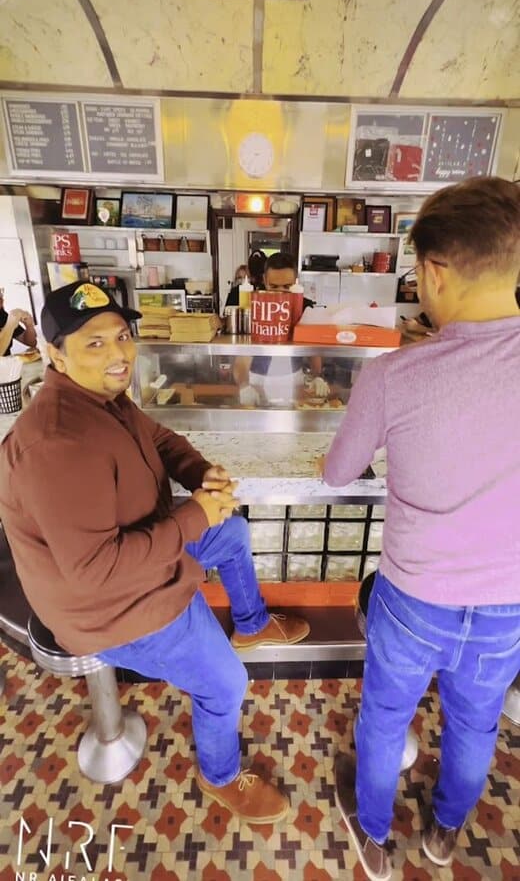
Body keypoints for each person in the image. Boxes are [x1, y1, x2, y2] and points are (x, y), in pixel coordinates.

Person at [0, 280, 310, 824]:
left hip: (148, 556)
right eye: (95, 343)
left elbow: (161, 440)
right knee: (226, 682)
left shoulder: (103, 399)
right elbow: (97, 572)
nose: (118, 353)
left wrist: (199, 473)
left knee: (231, 533)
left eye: (122, 336)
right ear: (55, 355)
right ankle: (220, 776)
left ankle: (251, 623)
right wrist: (195, 516)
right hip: (114, 606)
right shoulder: (57, 443)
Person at [323, 177, 520, 881]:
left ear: (435, 272)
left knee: (384, 716)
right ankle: (443, 834)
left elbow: (338, 473)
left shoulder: (393, 375)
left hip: (413, 600)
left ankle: (374, 838)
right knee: (475, 723)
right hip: (508, 605)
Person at [233, 252, 329, 406]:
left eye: (287, 287)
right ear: (264, 280)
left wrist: (317, 377)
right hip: (257, 382)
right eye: (274, 286)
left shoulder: (305, 308)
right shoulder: (253, 306)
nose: (280, 292)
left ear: (296, 282)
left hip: (294, 382)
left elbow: (313, 352)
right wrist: (244, 386)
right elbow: (242, 361)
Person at [0, 288, 37, 355]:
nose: (2, 300)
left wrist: (29, 326)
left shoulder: (2, 315)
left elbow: (31, 343)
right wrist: (10, 325)